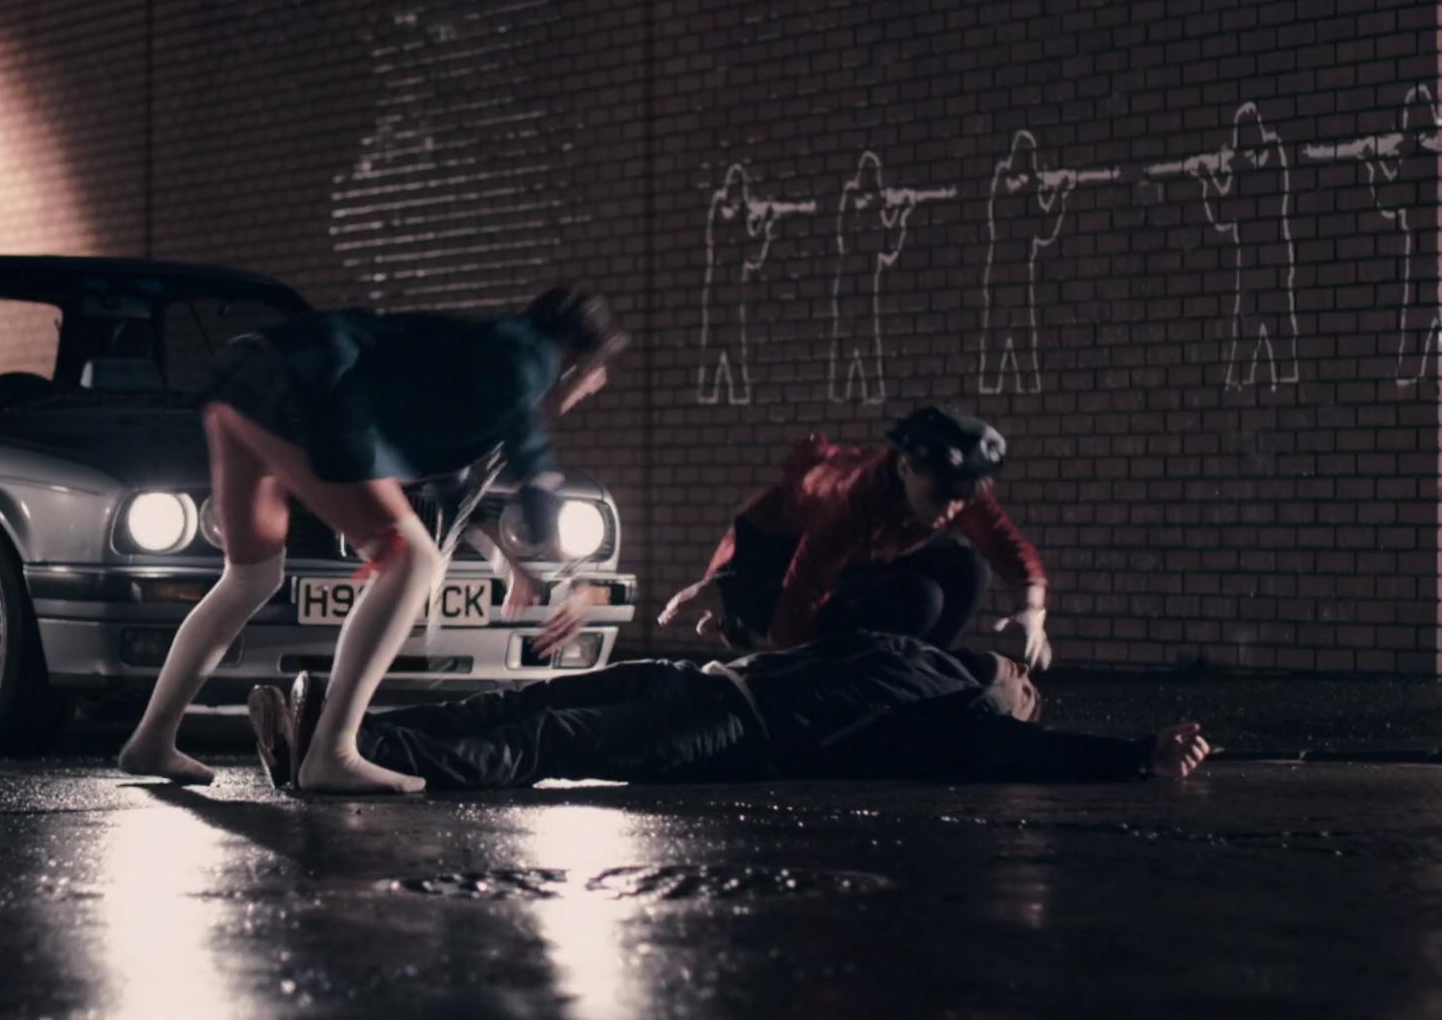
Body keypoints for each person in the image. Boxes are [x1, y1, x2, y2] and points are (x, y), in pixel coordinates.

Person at [118, 286, 626, 793]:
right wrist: (574, 580)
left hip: (247, 378)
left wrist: (514, 564)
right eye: (594, 376)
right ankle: (333, 752)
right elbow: (536, 472)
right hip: (301, 394)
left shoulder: (487, 350)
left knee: (251, 577)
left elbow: (453, 492)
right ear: (576, 362)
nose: (593, 389)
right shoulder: (530, 359)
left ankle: (152, 741)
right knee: (413, 563)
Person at [245, 628, 1212, 790]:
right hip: (705, 680)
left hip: (732, 733)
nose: (1022, 675)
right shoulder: (913, 650)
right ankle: (335, 735)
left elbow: (1024, 755)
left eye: (1029, 688)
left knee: (550, 740)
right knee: (522, 700)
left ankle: (345, 759)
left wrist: (1136, 752)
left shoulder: (963, 710)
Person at [659, 405, 1051, 665]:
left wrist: (1032, 609)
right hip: (776, 552)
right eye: (939, 497)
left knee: (967, 566)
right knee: (920, 599)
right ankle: (736, 595)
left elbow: (1003, 543)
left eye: (959, 500)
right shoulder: (855, 498)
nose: (949, 511)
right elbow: (804, 588)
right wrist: (749, 609)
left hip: (867, 555)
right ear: (905, 469)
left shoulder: (957, 490)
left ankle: (920, 671)